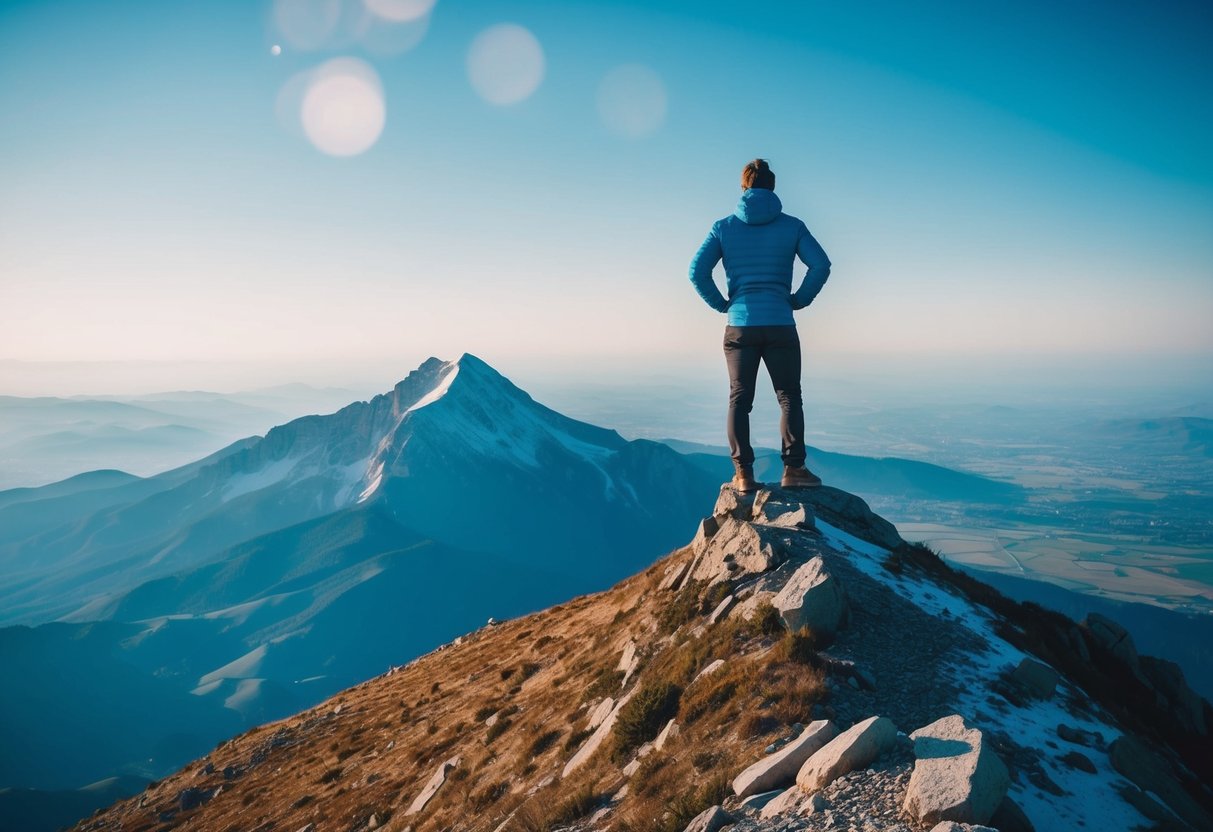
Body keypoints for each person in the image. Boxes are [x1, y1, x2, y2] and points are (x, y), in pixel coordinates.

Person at [689, 158, 832, 493]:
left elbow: (696, 271)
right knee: (789, 396)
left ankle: (743, 475)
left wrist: (723, 304)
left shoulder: (723, 227)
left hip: (740, 325)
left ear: (744, 187)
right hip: (781, 322)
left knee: (739, 399)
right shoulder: (792, 226)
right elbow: (821, 265)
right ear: (772, 187)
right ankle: (794, 470)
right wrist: (798, 299)